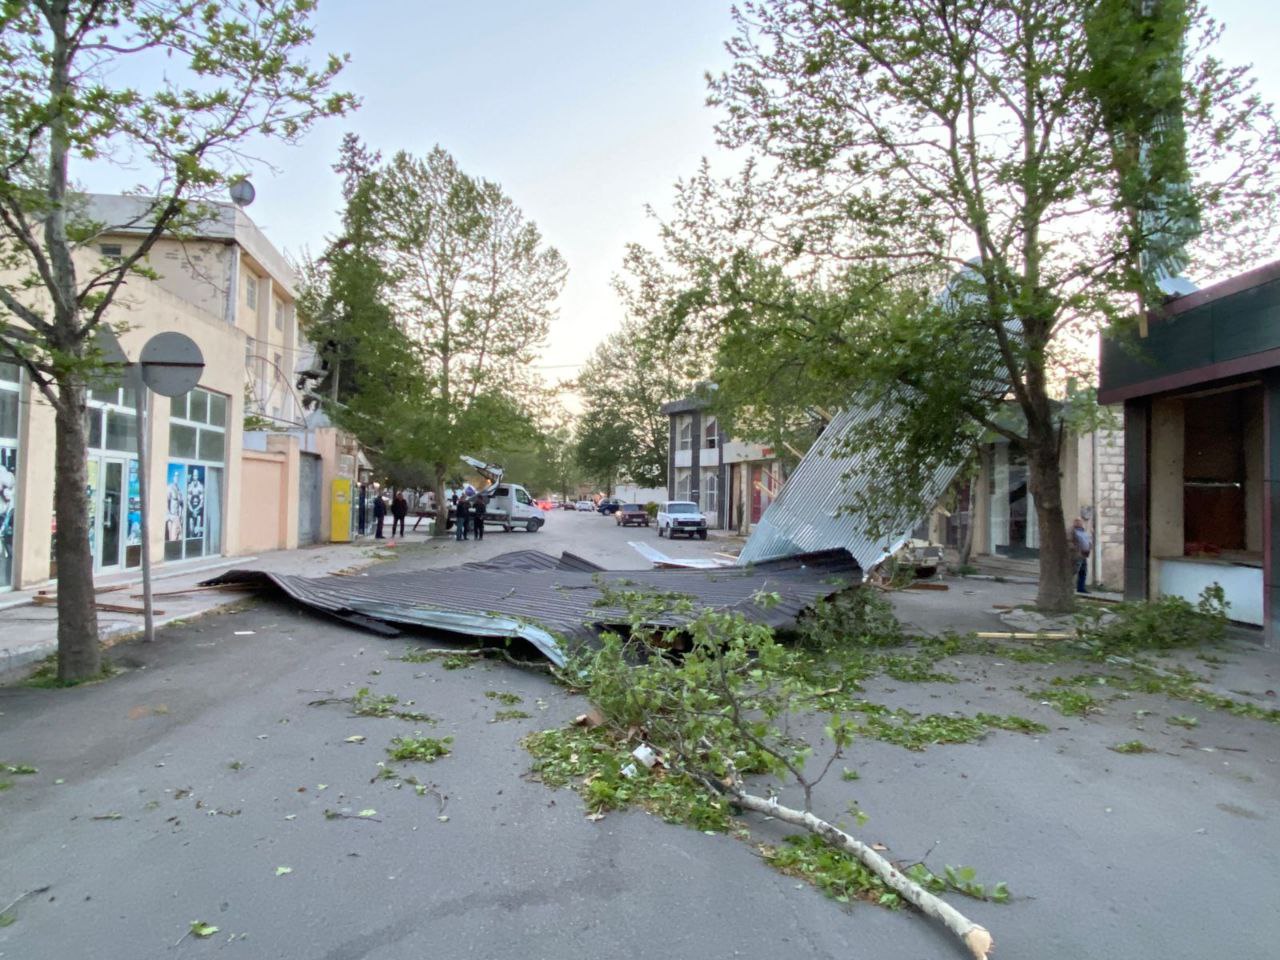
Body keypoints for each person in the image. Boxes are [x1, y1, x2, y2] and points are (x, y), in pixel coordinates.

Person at [1070, 516, 1092, 594]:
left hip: (1084, 554)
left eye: (1080, 521)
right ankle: (1068, 586)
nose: (1079, 523)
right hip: (1076, 554)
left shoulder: (1083, 531)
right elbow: (1069, 542)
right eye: (1077, 521)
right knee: (1073, 570)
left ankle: (1081, 587)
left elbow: (1087, 540)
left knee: (1083, 571)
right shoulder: (1072, 531)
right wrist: (1075, 549)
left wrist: (1089, 546)